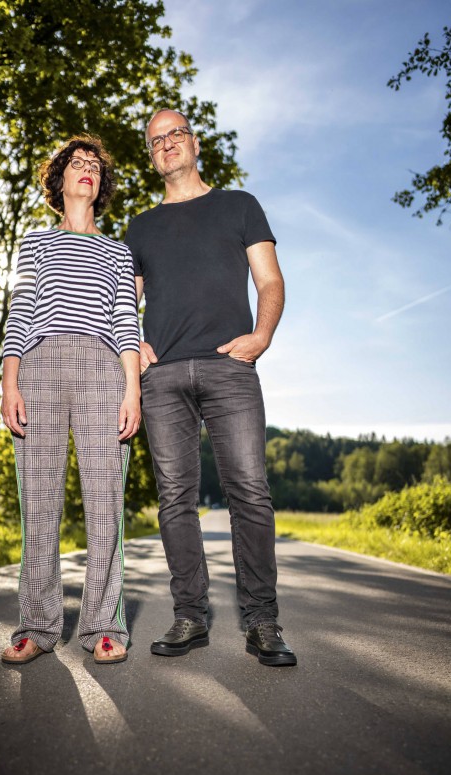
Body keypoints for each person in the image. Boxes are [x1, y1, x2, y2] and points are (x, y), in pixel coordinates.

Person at [124, 109, 296, 666]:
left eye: (175, 134)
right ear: (152, 157)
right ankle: (190, 616)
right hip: (164, 377)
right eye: (156, 140)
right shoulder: (141, 226)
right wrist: (135, 344)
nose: (167, 144)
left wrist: (262, 335)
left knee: (249, 489)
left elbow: (270, 279)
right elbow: (124, 297)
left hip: (230, 369)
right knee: (175, 499)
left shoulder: (239, 206)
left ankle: (262, 620)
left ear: (194, 143)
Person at [1, 135, 141, 665]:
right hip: (38, 367)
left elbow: (128, 322)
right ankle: (37, 626)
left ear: (100, 185)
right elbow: (19, 314)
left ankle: (104, 626)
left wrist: (133, 389)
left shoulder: (118, 251)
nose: (87, 171)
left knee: (106, 507)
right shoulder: (34, 243)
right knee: (39, 506)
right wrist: (10, 382)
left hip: (103, 370)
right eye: (77, 164)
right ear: (59, 181)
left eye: (95, 167)